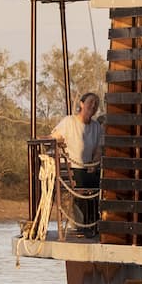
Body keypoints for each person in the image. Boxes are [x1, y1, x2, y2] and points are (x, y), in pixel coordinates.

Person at [49, 92, 103, 236]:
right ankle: (84, 226)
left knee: (100, 183)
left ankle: (94, 224)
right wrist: (57, 140)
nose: (93, 105)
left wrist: (94, 162)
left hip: (87, 168)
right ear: (81, 104)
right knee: (82, 185)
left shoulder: (96, 126)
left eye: (96, 103)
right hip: (72, 169)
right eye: (91, 102)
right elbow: (54, 137)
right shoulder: (69, 121)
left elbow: (98, 148)